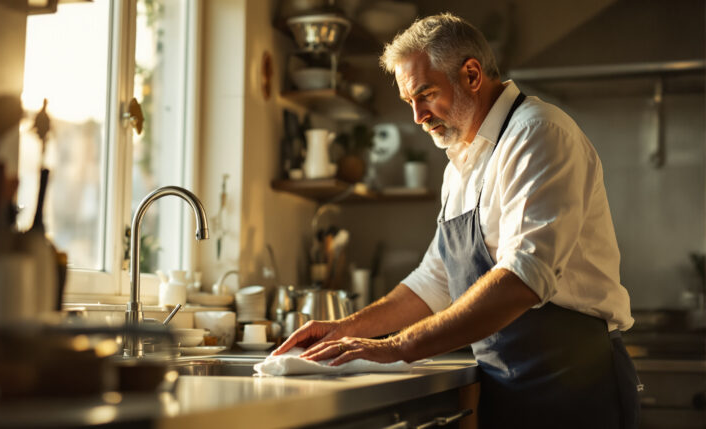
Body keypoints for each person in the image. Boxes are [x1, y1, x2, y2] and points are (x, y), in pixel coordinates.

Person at [273, 12, 642, 429]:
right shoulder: (460, 166)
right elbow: (433, 280)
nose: (418, 116)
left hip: (574, 388)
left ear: (471, 75)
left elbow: (525, 277)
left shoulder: (538, 134)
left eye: (426, 94)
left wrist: (396, 346)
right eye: (409, 102)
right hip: (507, 389)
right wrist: (343, 329)